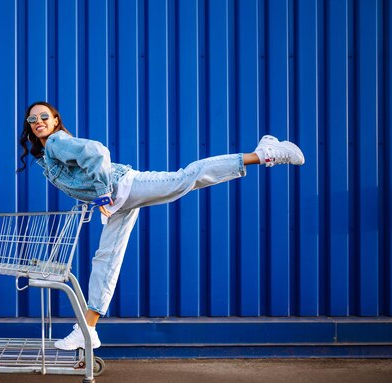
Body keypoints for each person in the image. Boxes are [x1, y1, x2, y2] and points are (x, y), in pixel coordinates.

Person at [17, 101, 305, 350]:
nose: (39, 121)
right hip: (119, 201)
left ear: (56, 120)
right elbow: (82, 176)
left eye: (45, 116)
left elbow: (96, 153)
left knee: (185, 178)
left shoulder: (57, 142)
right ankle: (87, 330)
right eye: (33, 119)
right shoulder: (47, 156)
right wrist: (93, 198)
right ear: (29, 127)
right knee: (106, 260)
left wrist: (103, 191)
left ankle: (264, 154)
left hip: (124, 186)